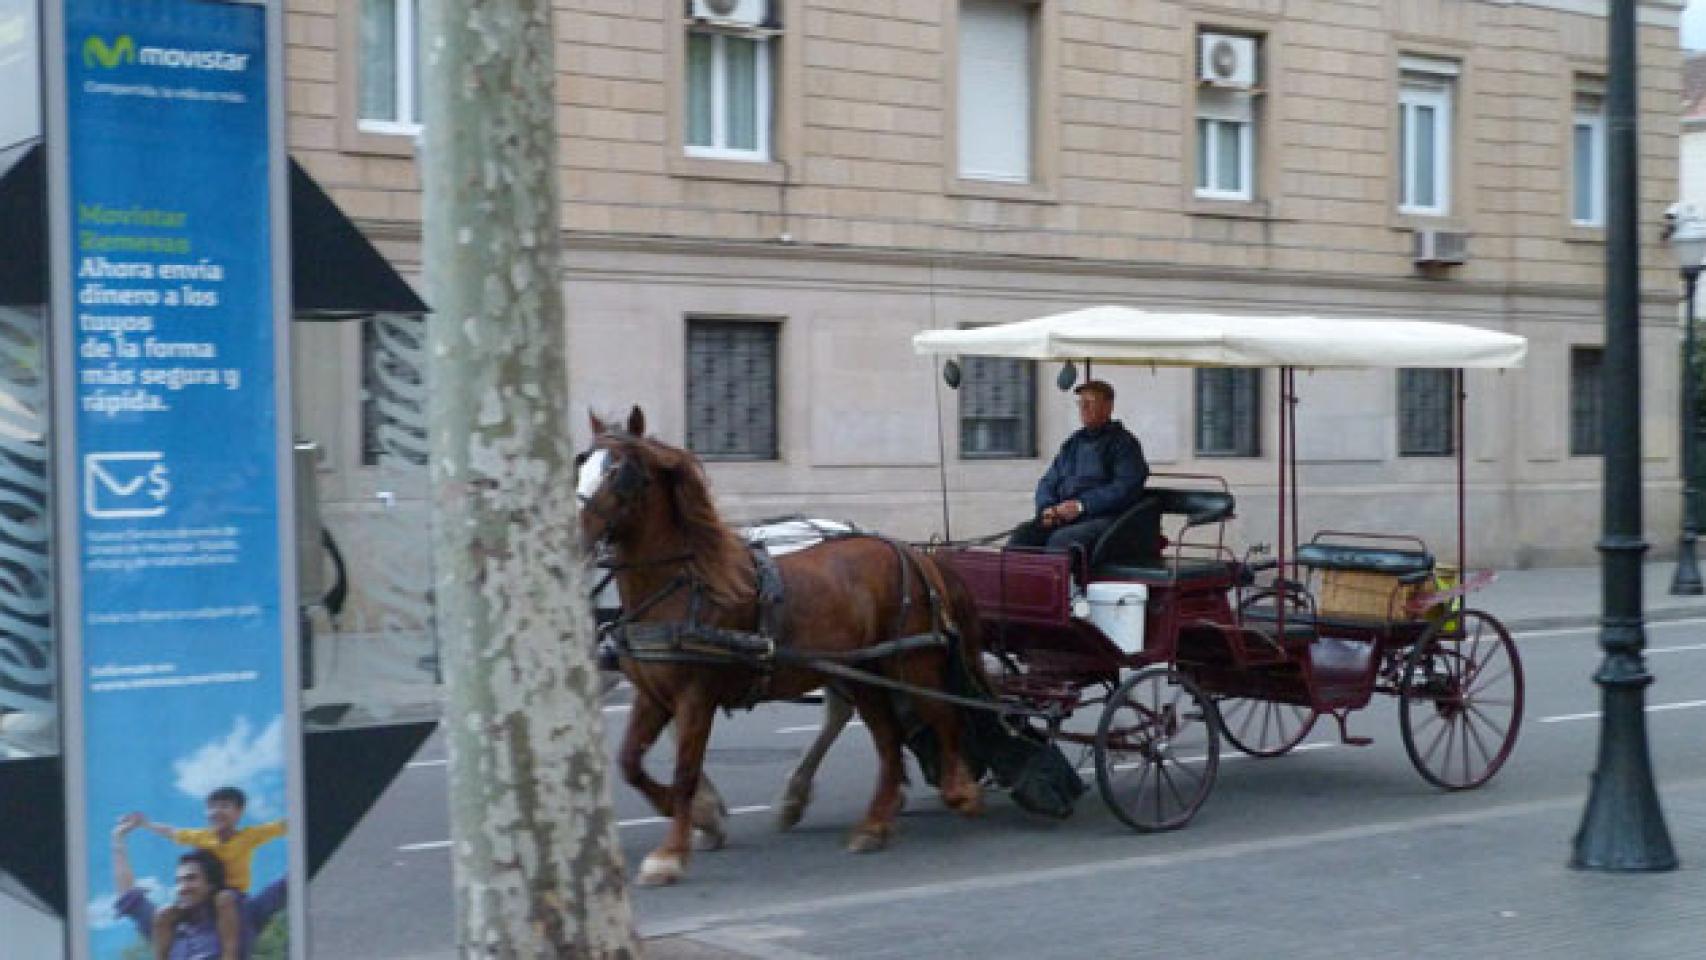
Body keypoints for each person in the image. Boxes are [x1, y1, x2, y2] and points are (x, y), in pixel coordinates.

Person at [131, 787, 286, 960]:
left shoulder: (248, 836)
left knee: (224, 898)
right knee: (164, 913)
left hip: (233, 896)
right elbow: (172, 832)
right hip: (205, 895)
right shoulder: (202, 837)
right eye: (212, 807)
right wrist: (146, 824)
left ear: (239, 812)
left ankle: (229, 955)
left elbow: (279, 827)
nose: (217, 812)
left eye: (224, 806)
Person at [1008, 379, 1148, 555]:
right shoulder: (1072, 443)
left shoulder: (1124, 444)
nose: (1083, 407)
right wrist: (1047, 508)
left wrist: (1082, 505)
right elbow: (1048, 481)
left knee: (1062, 540)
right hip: (1063, 516)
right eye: (1081, 402)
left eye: (1090, 402)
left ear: (1108, 406)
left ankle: (1062, 575)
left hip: (1106, 518)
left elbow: (1125, 487)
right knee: (1023, 536)